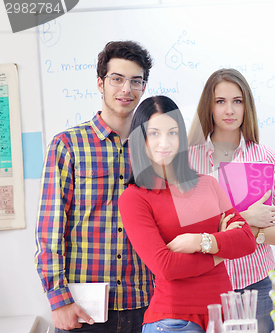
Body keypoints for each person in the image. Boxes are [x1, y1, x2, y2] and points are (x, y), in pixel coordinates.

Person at [35, 41, 154, 332]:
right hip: (85, 310)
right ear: (100, 83)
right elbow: (50, 230)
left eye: (135, 81)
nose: (126, 89)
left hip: (146, 303)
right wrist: (58, 300)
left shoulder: (153, 148)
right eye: (117, 79)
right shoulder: (67, 145)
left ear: (143, 87)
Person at [118, 95, 256, 333]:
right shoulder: (134, 198)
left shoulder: (207, 185)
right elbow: (166, 266)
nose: (165, 143)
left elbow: (246, 240)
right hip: (174, 321)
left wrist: (199, 241)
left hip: (225, 316)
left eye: (172, 133)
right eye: (154, 134)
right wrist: (221, 251)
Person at [188, 68, 275, 333]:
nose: (229, 110)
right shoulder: (187, 160)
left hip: (257, 285)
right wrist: (245, 219)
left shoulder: (265, 158)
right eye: (220, 101)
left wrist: (253, 231)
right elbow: (180, 228)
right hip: (202, 282)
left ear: (247, 107)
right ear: (209, 106)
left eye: (237, 101)